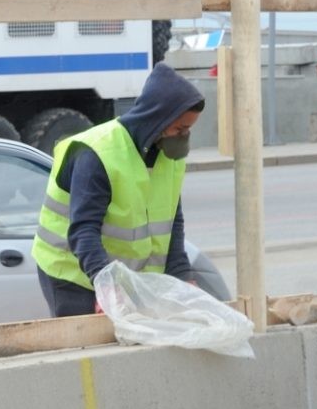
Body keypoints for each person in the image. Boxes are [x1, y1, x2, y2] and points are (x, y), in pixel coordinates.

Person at [33, 63, 206, 317]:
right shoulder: (97, 154)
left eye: (189, 129)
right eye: (180, 129)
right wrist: (106, 289)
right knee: (87, 350)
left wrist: (182, 275)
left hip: (120, 277)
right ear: (158, 119)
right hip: (71, 273)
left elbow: (172, 223)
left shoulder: (168, 158)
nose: (184, 137)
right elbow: (84, 231)